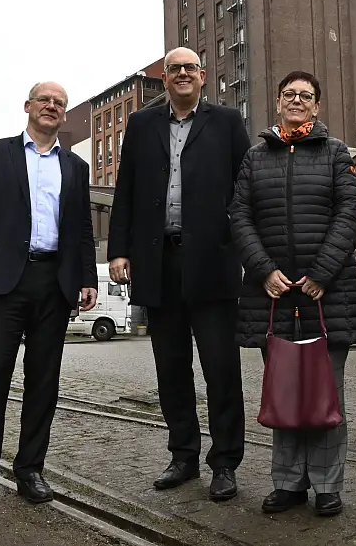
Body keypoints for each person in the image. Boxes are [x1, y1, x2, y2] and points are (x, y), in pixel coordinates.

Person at [108, 47, 250, 501]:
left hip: (212, 262)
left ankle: (225, 462)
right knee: (171, 369)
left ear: (203, 76)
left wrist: (241, 245)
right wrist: (118, 250)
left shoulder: (227, 122)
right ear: (165, 78)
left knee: (221, 369)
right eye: (175, 69)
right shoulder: (141, 125)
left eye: (190, 68)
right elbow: (126, 189)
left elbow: (245, 188)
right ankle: (183, 456)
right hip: (158, 263)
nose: (183, 73)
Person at [0, 82, 98, 516]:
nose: (52, 106)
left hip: (55, 282)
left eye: (59, 103)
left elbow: (82, 228)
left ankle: (30, 470)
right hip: (3, 282)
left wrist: (87, 277)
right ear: (28, 106)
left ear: (64, 114)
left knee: (43, 382)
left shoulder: (75, 167)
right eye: (44, 100)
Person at [230, 71, 356, 517]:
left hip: (326, 295)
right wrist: (263, 270)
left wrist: (322, 272)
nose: (296, 100)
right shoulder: (255, 157)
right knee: (285, 390)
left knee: (328, 394)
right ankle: (289, 483)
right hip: (273, 297)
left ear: (317, 105)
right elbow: (239, 216)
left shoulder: (335, 154)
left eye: (305, 96)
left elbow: (350, 213)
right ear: (277, 102)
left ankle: (327, 484)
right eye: (289, 94)